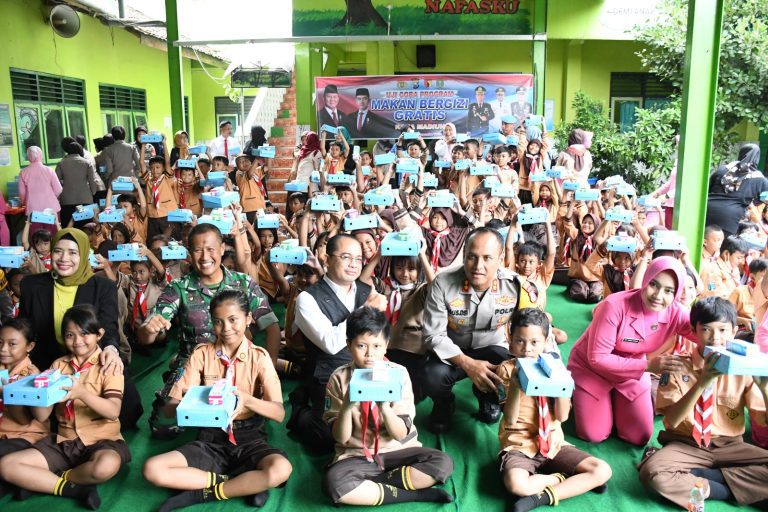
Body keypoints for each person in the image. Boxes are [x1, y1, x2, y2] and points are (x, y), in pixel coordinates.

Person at [143, 290, 292, 511]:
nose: (226, 328)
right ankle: (244, 483)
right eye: (218, 322)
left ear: (248, 319)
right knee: (152, 469)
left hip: (249, 437)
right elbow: (169, 411)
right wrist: (192, 401)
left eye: (234, 320)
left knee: (281, 469)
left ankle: (203, 493)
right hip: (210, 437)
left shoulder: (259, 358)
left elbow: (279, 413)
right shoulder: (201, 354)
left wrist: (247, 400)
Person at [138, 223, 280, 438]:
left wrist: (268, 371)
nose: (205, 256)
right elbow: (146, 336)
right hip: (194, 366)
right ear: (189, 253)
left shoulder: (243, 283)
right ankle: (175, 376)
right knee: (163, 424)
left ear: (222, 249)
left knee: (252, 417)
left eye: (211, 249)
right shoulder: (179, 288)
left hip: (238, 365)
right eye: (197, 250)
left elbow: (271, 327)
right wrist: (149, 329)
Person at [638, 297, 768, 509]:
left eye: (723, 330)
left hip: (731, 446)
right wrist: (702, 382)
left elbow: (763, 421)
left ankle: (705, 478)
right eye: (706, 329)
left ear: (734, 331)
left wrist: (764, 389)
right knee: (653, 473)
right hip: (686, 443)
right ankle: (734, 489)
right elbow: (671, 421)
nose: (715, 338)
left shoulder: (742, 369)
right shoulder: (676, 366)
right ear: (693, 330)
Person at [0, 305, 131, 509]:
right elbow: (42, 417)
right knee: (7, 466)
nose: (77, 341)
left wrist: (81, 393)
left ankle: (53, 478)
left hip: (102, 439)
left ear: (100, 334)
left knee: (106, 466)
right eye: (70, 335)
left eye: (85, 333)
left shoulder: (109, 365)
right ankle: (74, 488)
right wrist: (33, 392)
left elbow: (113, 411)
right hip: (64, 441)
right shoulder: (57, 366)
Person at [322, 306, 454, 506]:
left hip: (399, 451)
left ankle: (371, 486)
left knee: (442, 463)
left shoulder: (399, 374)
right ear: (349, 345)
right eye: (361, 346)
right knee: (334, 483)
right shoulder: (338, 379)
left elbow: (400, 435)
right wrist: (347, 406)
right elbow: (340, 437)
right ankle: (415, 494)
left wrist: (384, 406)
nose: (369, 354)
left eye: (376, 346)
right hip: (357, 454)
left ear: (386, 346)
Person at [18, 227, 143, 428]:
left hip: (90, 360)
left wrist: (111, 349)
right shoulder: (31, 285)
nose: (64, 258)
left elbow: (109, 327)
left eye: (72, 252)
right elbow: (24, 328)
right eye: (58, 251)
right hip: (49, 363)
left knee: (127, 411)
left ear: (84, 254)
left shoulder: (103, 287)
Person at [566, 256, 697, 446]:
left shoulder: (676, 312)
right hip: (592, 369)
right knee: (594, 434)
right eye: (654, 284)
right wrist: (648, 365)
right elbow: (597, 358)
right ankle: (583, 395)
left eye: (669, 291)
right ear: (645, 280)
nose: (658, 296)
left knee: (640, 436)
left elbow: (704, 334)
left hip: (631, 374)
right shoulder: (614, 305)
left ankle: (612, 400)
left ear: (676, 294)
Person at [498, 308, 611, 512]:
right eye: (519, 341)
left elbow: (562, 416)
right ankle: (563, 478)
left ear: (546, 341)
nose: (526, 349)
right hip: (520, 446)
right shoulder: (506, 370)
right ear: (510, 339)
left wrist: (562, 386)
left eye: (534, 342)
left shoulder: (553, 368)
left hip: (553, 443)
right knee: (517, 485)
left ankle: (542, 498)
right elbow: (510, 421)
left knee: (602, 470)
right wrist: (515, 387)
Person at [290, 234, 386, 453]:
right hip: (329, 373)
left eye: (358, 258)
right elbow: (331, 343)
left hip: (366, 367)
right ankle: (300, 410)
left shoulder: (365, 290)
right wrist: (366, 311)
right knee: (327, 438)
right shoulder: (307, 299)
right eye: (346, 257)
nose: (353, 264)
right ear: (326, 258)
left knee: (384, 426)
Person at [421, 228, 520, 433]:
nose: (478, 266)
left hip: (492, 347)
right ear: (464, 254)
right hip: (453, 351)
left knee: (511, 367)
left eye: (487, 258)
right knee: (432, 375)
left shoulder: (515, 286)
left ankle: (488, 396)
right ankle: (444, 402)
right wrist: (468, 364)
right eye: (472, 257)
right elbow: (433, 335)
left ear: (500, 258)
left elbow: (531, 328)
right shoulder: (443, 282)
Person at [0, 318, 49, 495]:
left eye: (12, 344)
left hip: (24, 435)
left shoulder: (33, 377)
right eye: (0, 342)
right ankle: (20, 483)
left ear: (29, 346)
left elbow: (22, 420)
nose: (3, 349)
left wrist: (6, 393)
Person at [706, 143, 767, 238]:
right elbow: (765, 199)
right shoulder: (760, 179)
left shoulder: (722, 169)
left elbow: (708, 189)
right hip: (729, 219)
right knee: (724, 249)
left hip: (706, 211)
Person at [55, 140, 99, 227]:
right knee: (86, 227)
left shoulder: (61, 163)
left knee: (69, 227)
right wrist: (92, 193)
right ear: (80, 150)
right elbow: (92, 181)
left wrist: (60, 195)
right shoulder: (87, 163)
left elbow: (56, 180)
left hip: (67, 200)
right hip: (85, 199)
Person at [19, 146, 62, 226]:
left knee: (37, 235)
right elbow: (58, 189)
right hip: (51, 207)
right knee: (53, 233)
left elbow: (22, 192)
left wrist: (24, 202)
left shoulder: (23, 172)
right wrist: (51, 197)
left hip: (33, 208)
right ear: (41, 156)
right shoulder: (49, 170)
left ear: (28, 157)